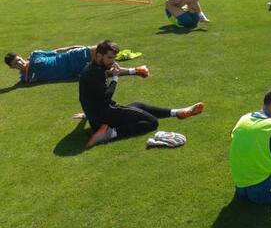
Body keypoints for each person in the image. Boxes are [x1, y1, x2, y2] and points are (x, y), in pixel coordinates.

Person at [79, 40, 204, 149]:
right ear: (99, 55)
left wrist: (88, 114)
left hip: (98, 116)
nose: (113, 61)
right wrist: (115, 78)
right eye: (110, 58)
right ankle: (110, 133)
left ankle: (177, 112)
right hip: (105, 115)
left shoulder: (92, 68)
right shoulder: (95, 74)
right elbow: (106, 97)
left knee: (138, 105)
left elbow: (87, 97)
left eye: (114, 58)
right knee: (152, 122)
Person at [4, 44, 148, 85]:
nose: (20, 63)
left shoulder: (35, 54)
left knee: (100, 49)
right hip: (72, 72)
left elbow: (57, 51)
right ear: (12, 68)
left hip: (71, 56)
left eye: (19, 59)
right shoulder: (26, 78)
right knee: (102, 72)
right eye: (16, 64)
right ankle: (136, 70)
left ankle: (114, 57)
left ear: (21, 57)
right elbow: (28, 79)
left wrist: (76, 47)